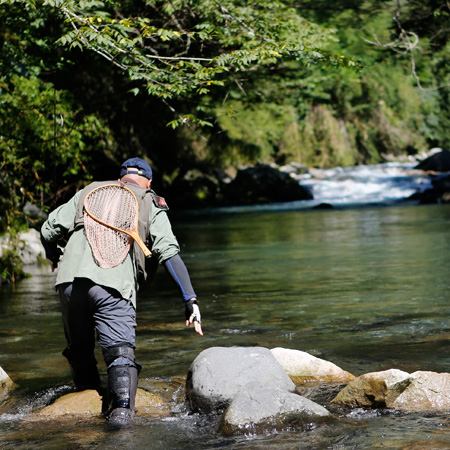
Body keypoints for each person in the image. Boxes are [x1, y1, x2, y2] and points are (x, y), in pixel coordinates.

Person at [40, 157, 202, 424]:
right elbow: (168, 253)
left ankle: (83, 413)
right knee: (119, 355)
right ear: (148, 182)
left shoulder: (88, 191)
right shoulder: (150, 201)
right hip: (112, 284)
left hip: (68, 282)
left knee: (80, 350)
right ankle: (121, 420)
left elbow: (48, 231)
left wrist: (55, 257)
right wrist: (190, 299)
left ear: (120, 178)